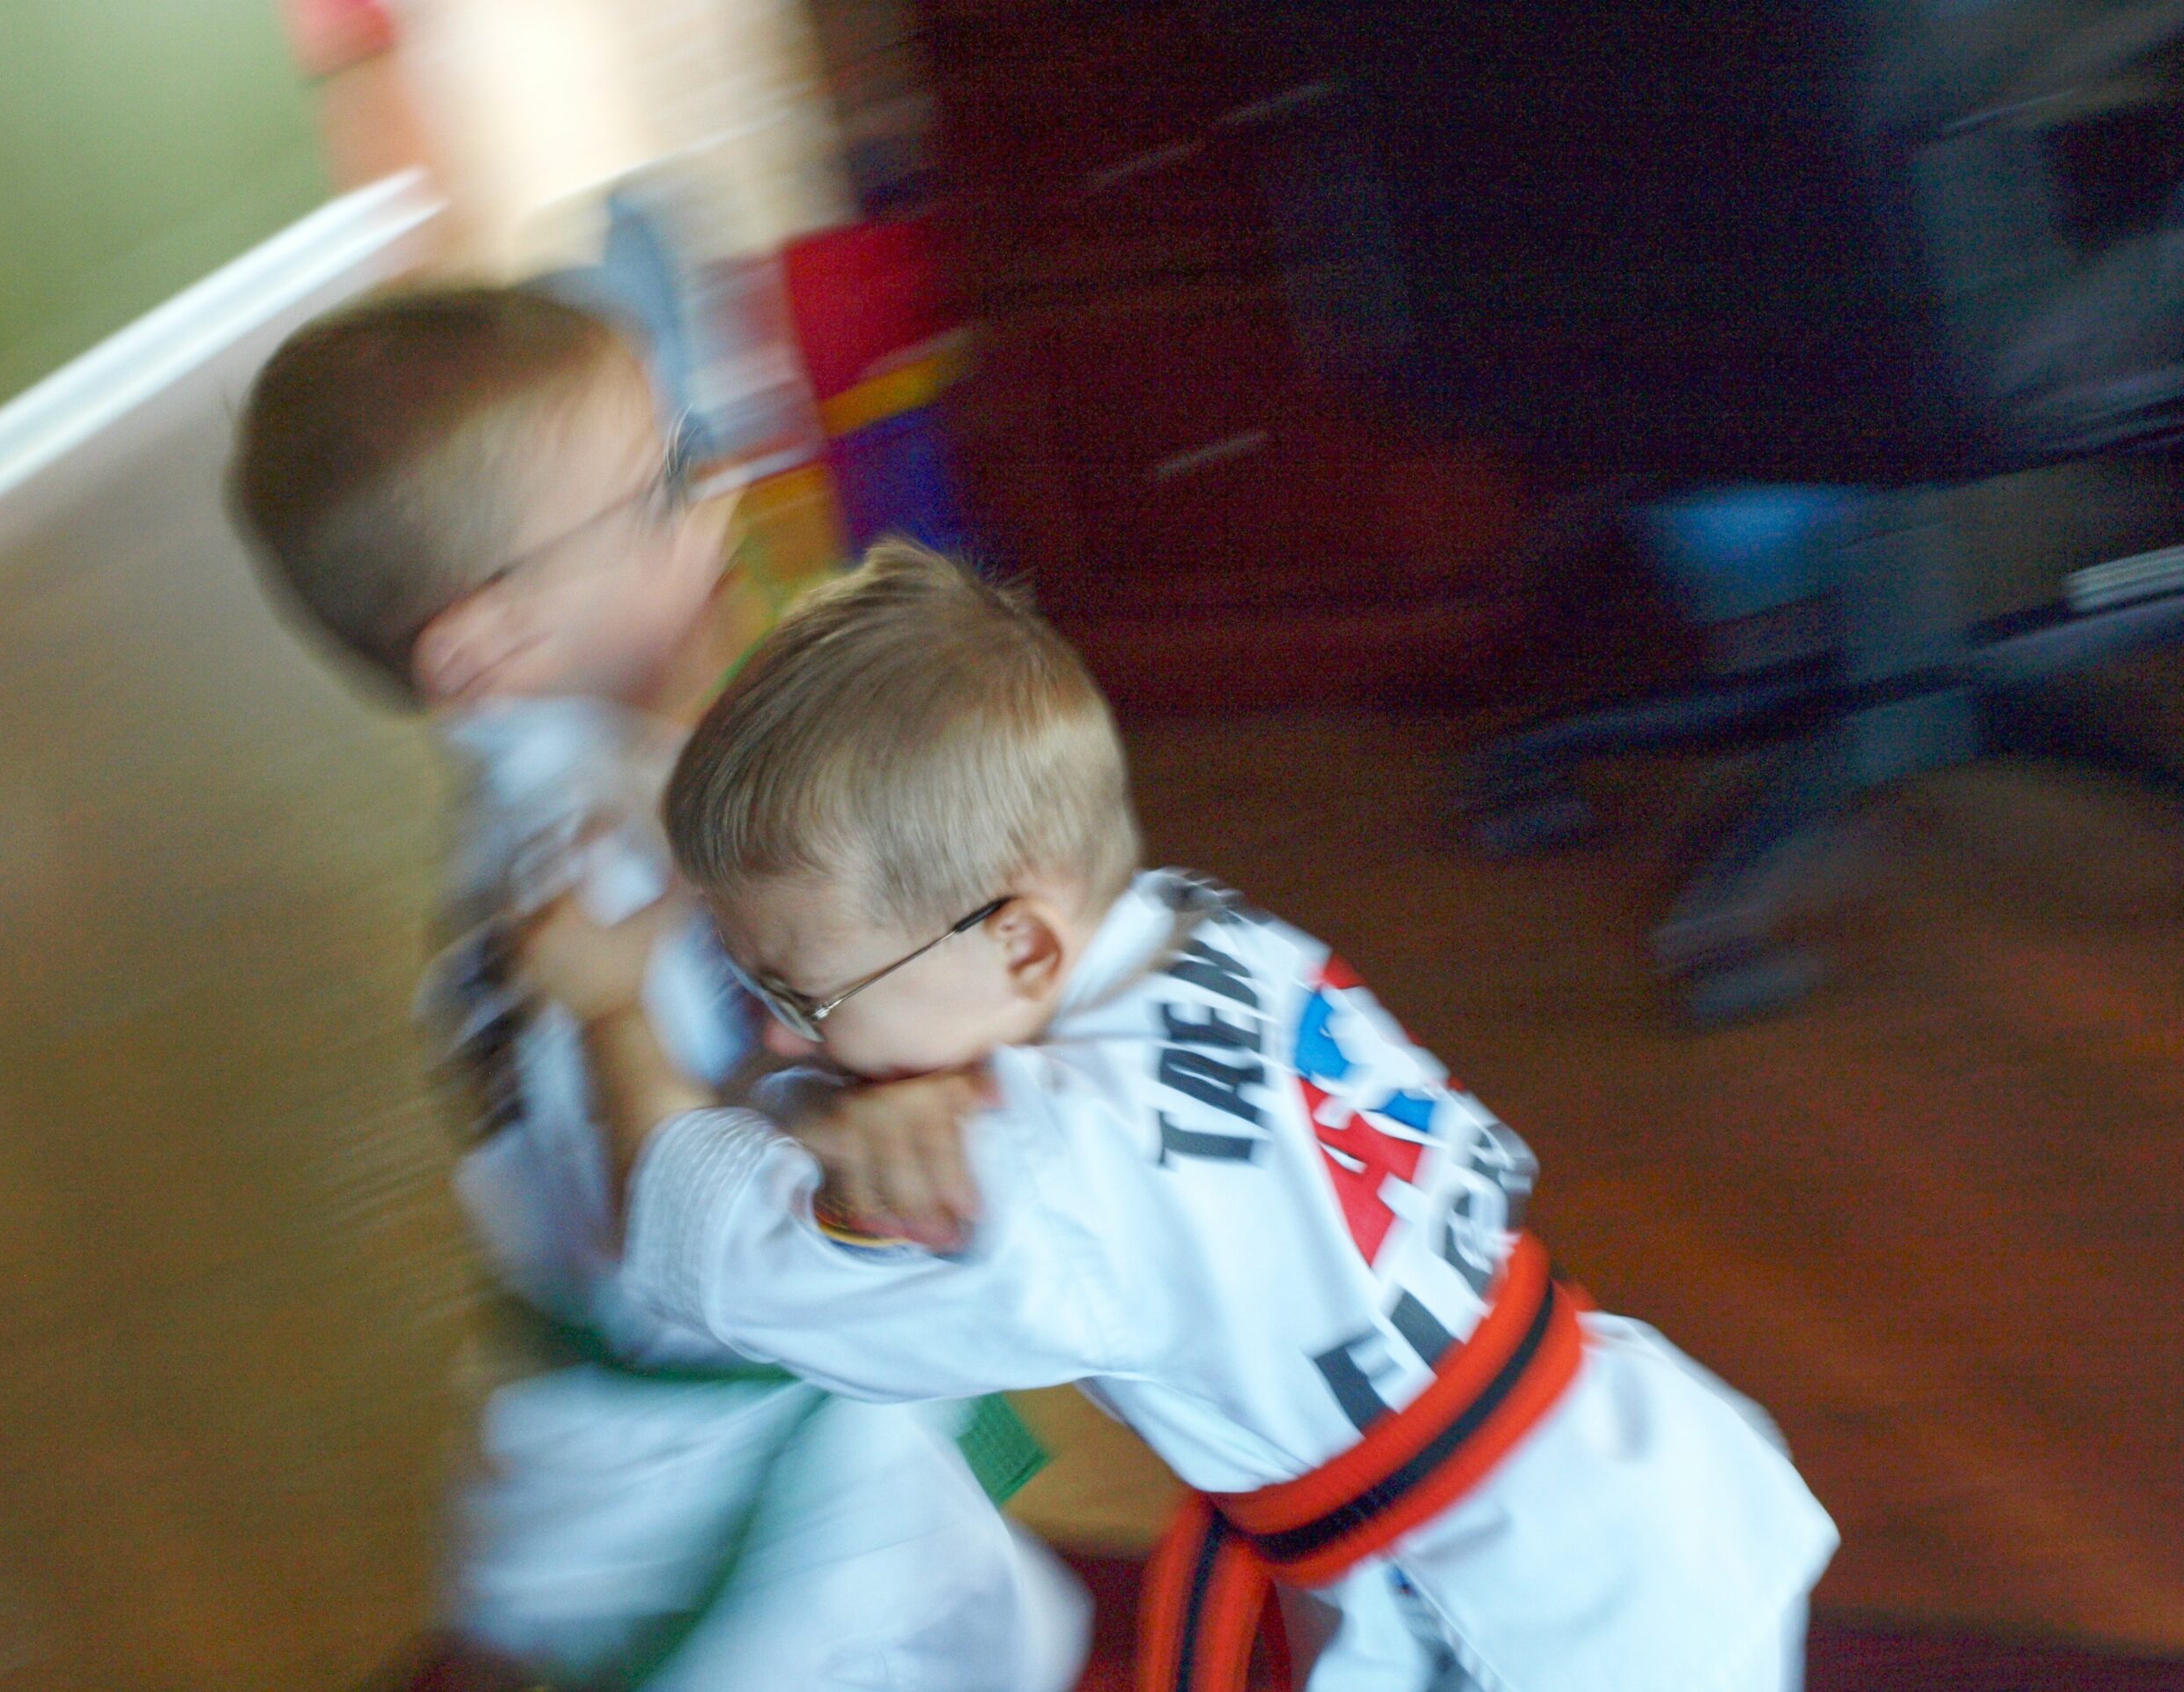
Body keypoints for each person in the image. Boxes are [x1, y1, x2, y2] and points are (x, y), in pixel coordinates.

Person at [522, 539, 1841, 1692]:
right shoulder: (1200, 928)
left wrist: (609, 1012)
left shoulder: (1042, 1181)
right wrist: (833, 1098)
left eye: (803, 995)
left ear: (1023, 945)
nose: (775, 1033)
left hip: (1507, 1613)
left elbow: (727, 1261)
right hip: (1642, 1464)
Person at [227, 292, 1085, 1692]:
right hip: (729, 1506)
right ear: (489, 648)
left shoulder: (571, 815)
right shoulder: (638, 851)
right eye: (660, 490)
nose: (718, 490)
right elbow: (684, 1214)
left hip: (628, 1447)